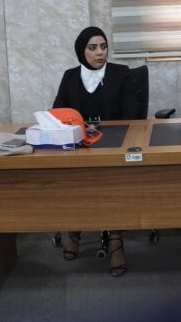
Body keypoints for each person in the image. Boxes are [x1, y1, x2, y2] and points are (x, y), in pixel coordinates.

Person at [52, 27, 135, 277]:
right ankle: (75, 228)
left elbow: (133, 116)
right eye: (92, 48)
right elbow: (58, 113)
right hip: (80, 145)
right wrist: (78, 127)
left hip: (114, 144)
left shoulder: (121, 74)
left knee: (109, 181)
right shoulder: (70, 77)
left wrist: (104, 130)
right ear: (82, 51)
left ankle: (115, 238)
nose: (100, 52)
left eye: (103, 46)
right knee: (76, 178)